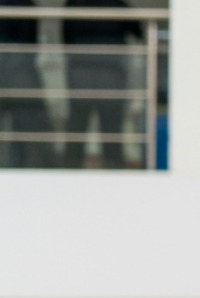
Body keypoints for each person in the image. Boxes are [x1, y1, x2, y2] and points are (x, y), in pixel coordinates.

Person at [63, 0, 142, 170]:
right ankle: (114, 171)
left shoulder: (73, 4)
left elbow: (65, 38)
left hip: (81, 74)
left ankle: (69, 171)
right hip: (110, 75)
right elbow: (138, 31)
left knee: (77, 128)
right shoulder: (118, 5)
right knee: (111, 130)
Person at [0, 1, 51, 168]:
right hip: (21, 76)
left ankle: (17, 167)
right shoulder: (26, 5)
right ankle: (18, 166)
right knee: (24, 132)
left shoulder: (26, 5)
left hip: (19, 76)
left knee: (23, 129)